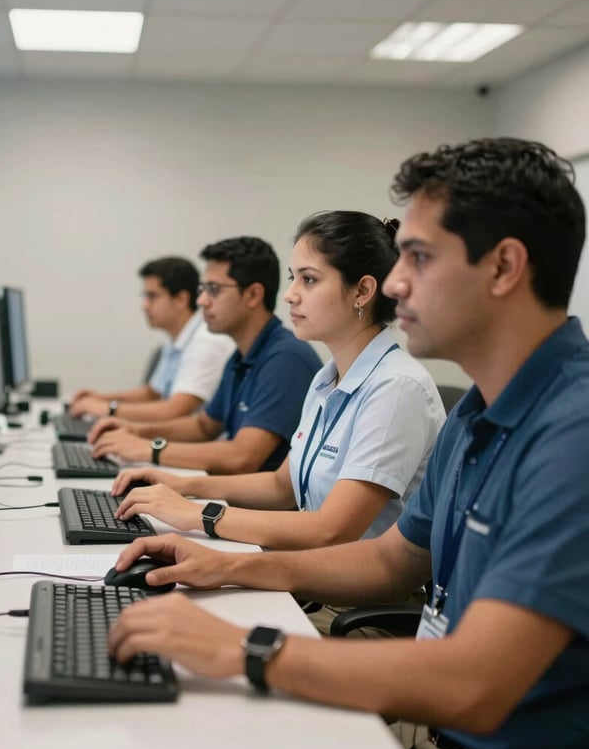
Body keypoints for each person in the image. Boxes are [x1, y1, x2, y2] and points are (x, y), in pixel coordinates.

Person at [107, 138, 589, 749]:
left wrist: (250, 649)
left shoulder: (572, 433)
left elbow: (475, 684)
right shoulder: (479, 410)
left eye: (418, 256)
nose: (394, 282)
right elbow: (391, 562)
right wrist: (225, 564)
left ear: (503, 267)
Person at [111, 211, 445, 551]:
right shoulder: (327, 377)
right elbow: (280, 486)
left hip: (347, 599)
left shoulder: (396, 388)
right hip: (309, 574)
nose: (290, 295)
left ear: (362, 290)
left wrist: (197, 515)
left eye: (309, 280)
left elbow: (332, 531)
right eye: (293, 278)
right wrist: (183, 486)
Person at [89, 237, 323, 474]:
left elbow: (243, 457)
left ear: (253, 295)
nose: (201, 300)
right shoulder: (240, 356)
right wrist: (136, 431)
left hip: (261, 508)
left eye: (214, 289)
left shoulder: (286, 358)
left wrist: (149, 448)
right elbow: (204, 426)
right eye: (202, 289)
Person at [69, 257, 233, 422]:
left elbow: (174, 410)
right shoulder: (177, 340)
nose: (144, 306)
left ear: (181, 299)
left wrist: (105, 408)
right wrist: (101, 398)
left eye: (152, 296)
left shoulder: (207, 342)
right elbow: (153, 392)